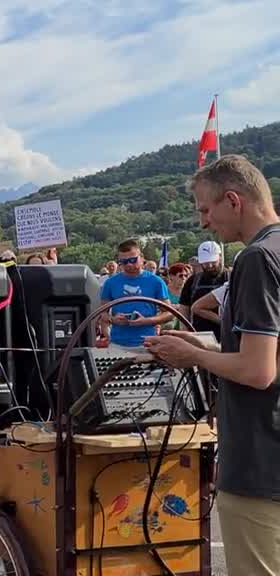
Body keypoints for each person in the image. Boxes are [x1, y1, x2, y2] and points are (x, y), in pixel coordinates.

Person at [144, 155, 280, 575]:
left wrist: (193, 356)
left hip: (261, 459)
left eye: (206, 209)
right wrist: (204, 341)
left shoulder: (256, 259)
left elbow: (259, 371)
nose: (204, 223)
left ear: (233, 201)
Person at [98, 239, 171, 351]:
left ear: (142, 258)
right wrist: (113, 319)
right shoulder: (110, 282)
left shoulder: (156, 281)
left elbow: (169, 313)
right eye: (124, 261)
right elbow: (102, 312)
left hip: (147, 343)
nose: (129, 264)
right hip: (118, 344)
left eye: (133, 260)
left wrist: (146, 321)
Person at [178, 241, 228, 335]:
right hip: (200, 333)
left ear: (220, 258)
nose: (209, 266)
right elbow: (184, 308)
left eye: (213, 262)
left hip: (227, 334)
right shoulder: (192, 281)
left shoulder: (231, 278)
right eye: (205, 263)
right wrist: (185, 331)